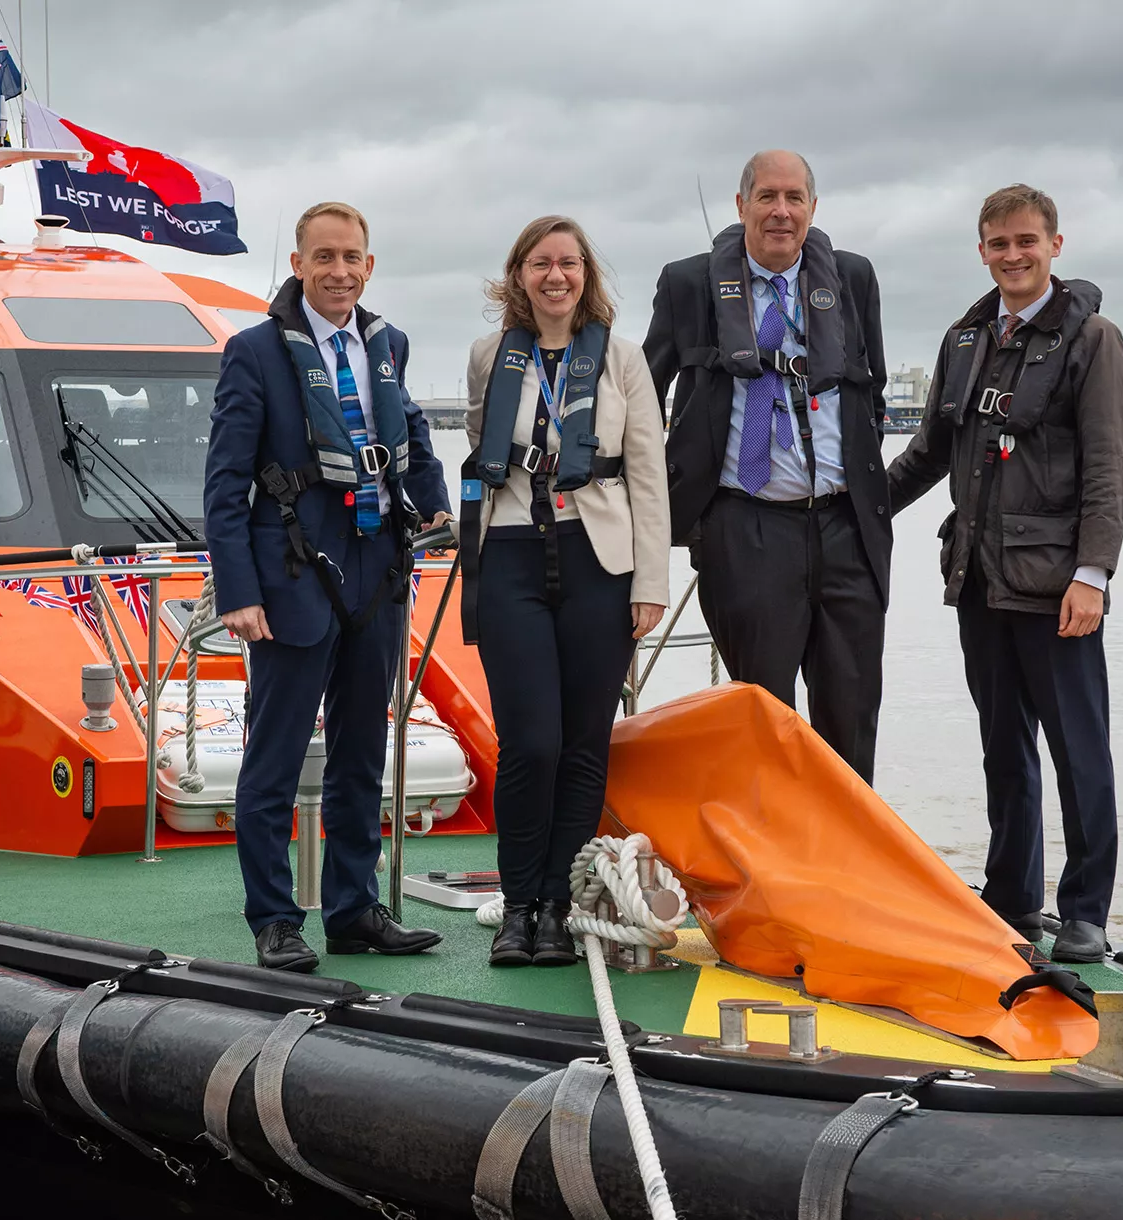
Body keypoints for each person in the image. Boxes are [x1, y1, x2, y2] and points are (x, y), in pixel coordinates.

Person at [887, 184, 1123, 963]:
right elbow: (930, 451)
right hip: (978, 580)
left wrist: (1092, 575)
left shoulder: (1093, 339)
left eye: (1027, 241)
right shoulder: (965, 340)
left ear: (1055, 246)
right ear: (983, 250)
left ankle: (1087, 909)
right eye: (998, 244)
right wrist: (855, 509)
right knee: (1004, 747)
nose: (1013, 256)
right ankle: (1012, 899)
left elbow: (1110, 467)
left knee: (1078, 749)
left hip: (1057, 585)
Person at [203, 201, 453, 972]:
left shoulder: (390, 345)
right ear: (298, 265)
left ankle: (352, 908)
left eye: (352, 258)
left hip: (377, 575)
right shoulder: (253, 353)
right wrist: (237, 590)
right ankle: (274, 918)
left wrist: (439, 503)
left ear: (368, 266)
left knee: (360, 757)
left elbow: (408, 432)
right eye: (325, 258)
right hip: (291, 580)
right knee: (274, 759)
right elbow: (225, 483)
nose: (339, 271)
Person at [460, 216, 670, 966]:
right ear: (519, 274)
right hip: (513, 552)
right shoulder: (490, 357)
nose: (557, 276)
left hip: (600, 559)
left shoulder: (620, 357)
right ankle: (518, 905)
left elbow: (648, 472)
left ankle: (560, 904)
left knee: (584, 746)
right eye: (541, 263)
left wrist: (651, 581)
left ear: (587, 274)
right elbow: (482, 460)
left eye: (570, 263)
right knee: (531, 742)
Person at [642, 150, 891, 783]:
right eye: (767, 197)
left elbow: (874, 392)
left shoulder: (854, 279)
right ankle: (770, 869)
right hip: (744, 525)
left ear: (812, 208)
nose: (781, 212)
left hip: (845, 529)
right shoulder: (688, 284)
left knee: (852, 717)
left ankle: (847, 869)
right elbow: (642, 400)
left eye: (794, 198)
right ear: (741, 205)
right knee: (763, 715)